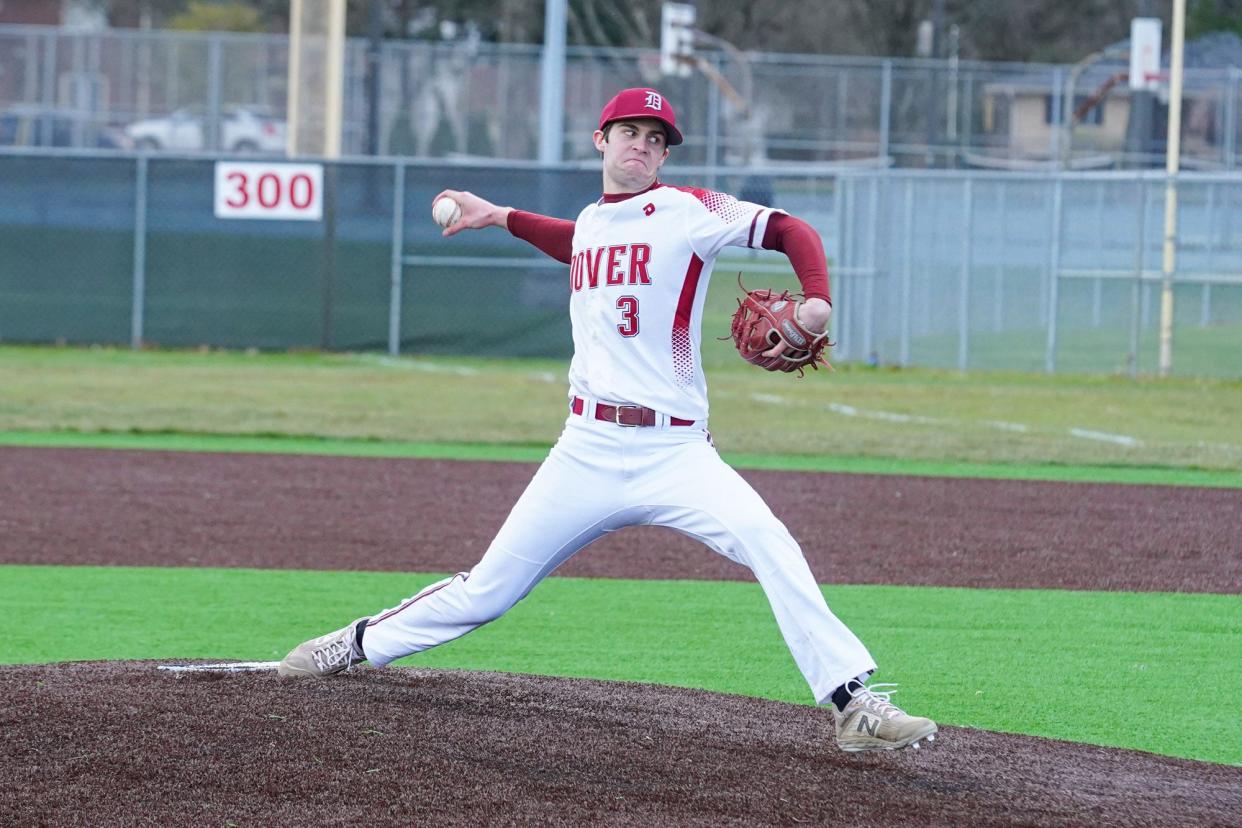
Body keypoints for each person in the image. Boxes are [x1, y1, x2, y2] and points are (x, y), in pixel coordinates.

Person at [279, 87, 937, 753]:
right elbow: (577, 242)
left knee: (770, 543)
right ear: (601, 139)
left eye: (657, 139)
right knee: (487, 592)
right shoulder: (593, 221)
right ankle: (357, 642)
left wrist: (818, 302)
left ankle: (854, 704)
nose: (643, 146)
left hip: (675, 452)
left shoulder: (692, 211)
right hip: (585, 449)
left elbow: (792, 229)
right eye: (631, 132)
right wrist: (499, 215)